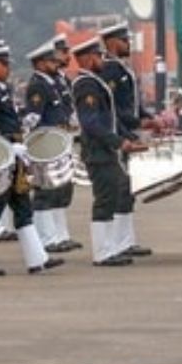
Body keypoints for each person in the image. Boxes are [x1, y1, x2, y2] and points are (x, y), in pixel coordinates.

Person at [0, 44, 64, 277]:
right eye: (3, 64)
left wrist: (24, 122)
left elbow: (7, 121)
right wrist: (10, 146)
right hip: (2, 159)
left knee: (22, 207)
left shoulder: (2, 88)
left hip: (14, 157)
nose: (8, 68)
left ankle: (36, 258)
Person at [72, 37, 141, 266]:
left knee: (117, 192)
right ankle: (102, 252)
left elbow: (109, 118)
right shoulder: (86, 85)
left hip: (106, 151)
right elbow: (91, 122)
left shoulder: (95, 82)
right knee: (104, 199)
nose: (102, 60)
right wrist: (117, 142)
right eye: (98, 56)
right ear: (87, 59)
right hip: (97, 152)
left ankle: (113, 246)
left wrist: (125, 137)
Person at [98, 22, 156, 259]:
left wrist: (149, 119)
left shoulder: (122, 69)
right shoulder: (109, 70)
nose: (129, 44)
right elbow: (113, 110)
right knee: (119, 188)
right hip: (119, 134)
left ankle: (125, 240)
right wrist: (135, 124)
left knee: (128, 189)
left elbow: (132, 104)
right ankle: (116, 243)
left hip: (128, 131)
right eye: (125, 40)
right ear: (112, 42)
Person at [26, 38, 81, 253]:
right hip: (46, 142)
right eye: (50, 61)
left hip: (61, 138)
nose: (56, 63)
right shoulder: (38, 85)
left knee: (60, 190)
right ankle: (46, 238)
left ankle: (60, 235)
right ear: (39, 63)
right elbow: (35, 117)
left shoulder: (54, 81)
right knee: (45, 192)